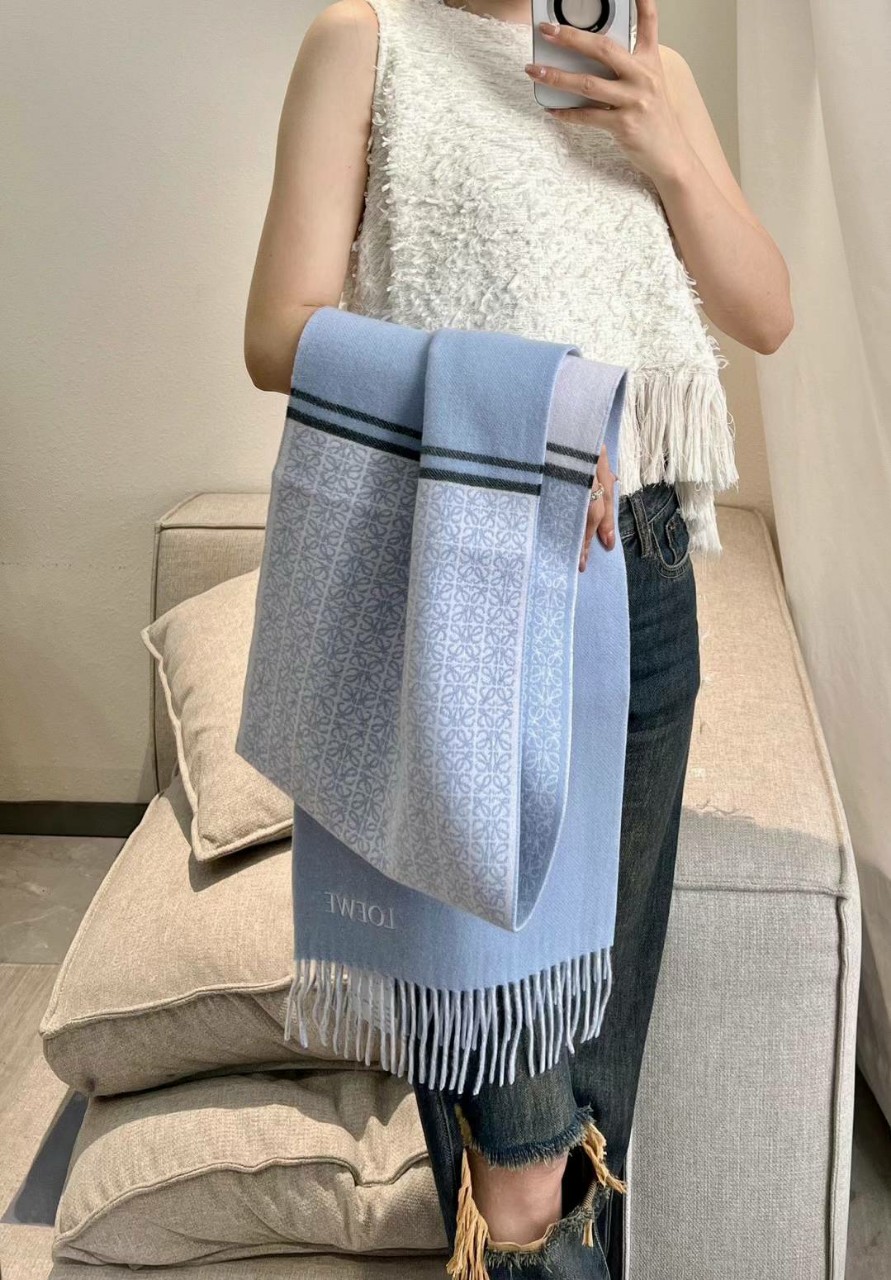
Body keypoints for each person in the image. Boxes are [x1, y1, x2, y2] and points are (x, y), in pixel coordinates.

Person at [243, 1, 793, 1275]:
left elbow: (766, 311)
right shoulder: (367, 40)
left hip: (642, 578)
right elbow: (279, 329)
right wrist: (530, 408)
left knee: (592, 1100)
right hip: (475, 585)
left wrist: (670, 147)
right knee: (526, 1144)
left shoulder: (649, 72)